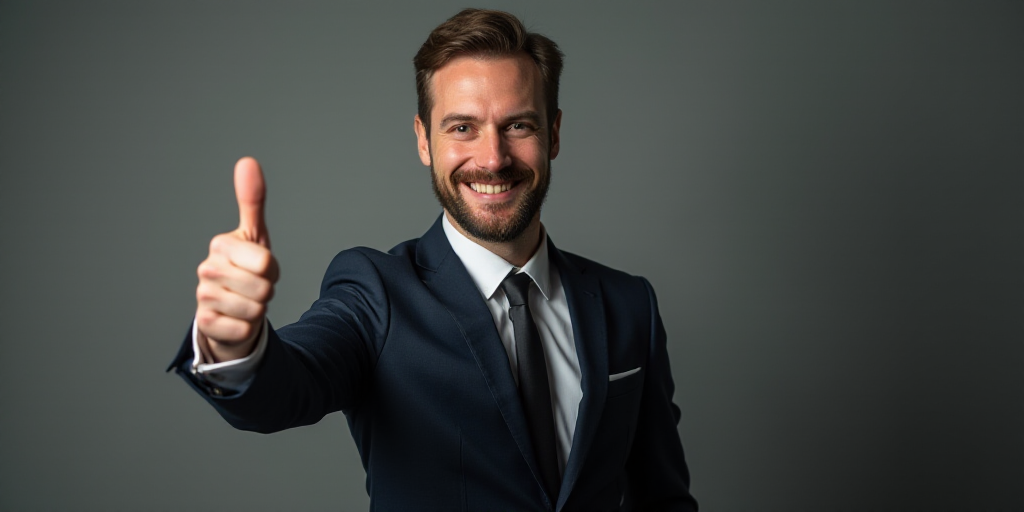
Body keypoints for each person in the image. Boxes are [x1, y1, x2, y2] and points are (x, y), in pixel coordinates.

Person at [168, 8, 698, 511]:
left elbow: (663, 497)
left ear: (553, 133)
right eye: (462, 127)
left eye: (519, 126)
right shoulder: (375, 293)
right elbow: (287, 389)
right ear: (424, 140)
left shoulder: (629, 305)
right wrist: (232, 344)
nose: (492, 158)